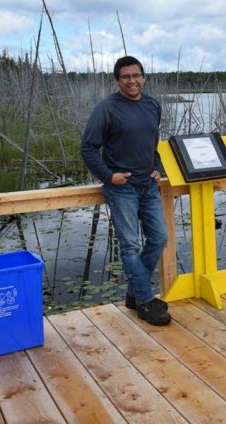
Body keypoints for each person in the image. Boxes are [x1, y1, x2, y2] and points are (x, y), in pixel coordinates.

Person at [81, 55, 171, 326]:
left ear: (144, 77)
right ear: (117, 80)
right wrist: (109, 176)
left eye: (137, 75)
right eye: (126, 77)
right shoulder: (106, 108)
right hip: (122, 189)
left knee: (159, 238)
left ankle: (134, 292)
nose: (132, 81)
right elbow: (88, 147)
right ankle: (145, 300)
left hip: (149, 185)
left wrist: (156, 165)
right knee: (130, 244)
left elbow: (152, 142)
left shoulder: (152, 105)